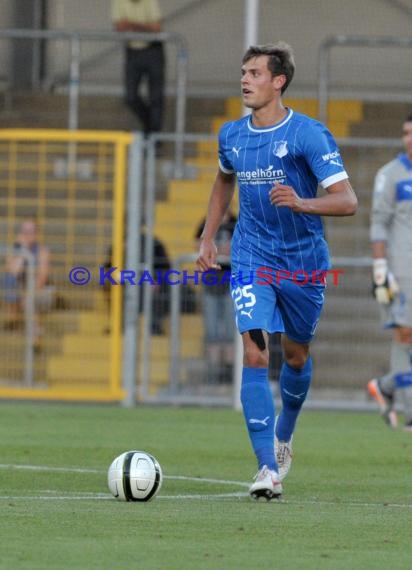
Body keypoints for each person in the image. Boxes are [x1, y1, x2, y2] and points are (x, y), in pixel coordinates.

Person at [196, 42, 357, 500]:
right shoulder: (231, 134)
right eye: (243, 72)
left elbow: (347, 201)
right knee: (254, 352)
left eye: (254, 73)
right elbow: (224, 177)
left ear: (278, 81)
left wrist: (302, 202)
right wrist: (208, 237)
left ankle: (284, 436)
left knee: (296, 357)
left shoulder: (309, 134)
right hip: (251, 257)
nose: (245, 80)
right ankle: (267, 468)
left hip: (304, 262)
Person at [367, 114, 412, 431]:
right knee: (404, 334)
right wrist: (381, 268)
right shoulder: (390, 175)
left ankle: (384, 386)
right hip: (400, 271)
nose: (408, 138)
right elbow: (379, 222)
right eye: (406, 132)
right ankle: (410, 411)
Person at [195, 209, 237, 384]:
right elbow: (197, 243)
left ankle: (228, 371)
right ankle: (214, 371)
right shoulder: (207, 222)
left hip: (231, 281)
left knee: (229, 330)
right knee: (212, 330)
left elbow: (238, 247)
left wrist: (220, 251)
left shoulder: (236, 223)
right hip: (211, 281)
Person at [111, 0, 165, 135]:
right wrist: (145, 26)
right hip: (132, 50)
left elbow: (157, 27)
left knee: (156, 97)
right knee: (130, 96)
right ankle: (151, 129)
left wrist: (131, 24)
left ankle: (154, 136)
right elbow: (119, 26)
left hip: (153, 50)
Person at [103, 231, 171, 335]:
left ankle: (154, 326)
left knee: (158, 290)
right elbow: (108, 266)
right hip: (125, 280)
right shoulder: (119, 243)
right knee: (112, 287)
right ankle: (119, 325)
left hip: (148, 280)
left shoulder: (153, 242)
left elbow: (165, 265)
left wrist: (157, 280)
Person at [3, 219, 52, 350]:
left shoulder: (43, 251)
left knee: (30, 302)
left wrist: (29, 295)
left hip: (40, 292)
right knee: (8, 279)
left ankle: (36, 340)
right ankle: (12, 317)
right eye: (24, 231)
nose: (27, 235)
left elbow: (42, 278)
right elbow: (13, 272)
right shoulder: (14, 250)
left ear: (37, 234)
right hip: (21, 292)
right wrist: (22, 251)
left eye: (30, 231)